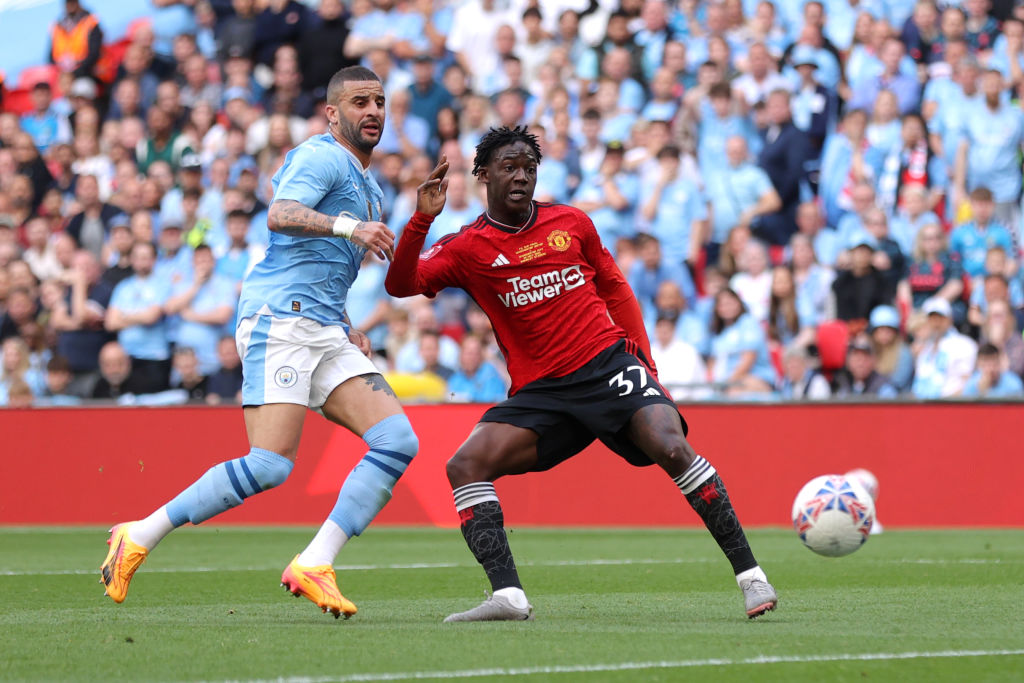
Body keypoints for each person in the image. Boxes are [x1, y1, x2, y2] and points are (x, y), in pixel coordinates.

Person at [386, 127, 777, 622]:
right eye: (510, 167)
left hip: (606, 366)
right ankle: (508, 597)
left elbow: (616, 290)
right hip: (543, 392)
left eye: (529, 167)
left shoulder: (571, 222)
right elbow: (401, 284)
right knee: (464, 466)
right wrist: (422, 218)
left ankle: (751, 576)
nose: (521, 177)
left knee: (672, 445)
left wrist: (646, 366)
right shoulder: (468, 247)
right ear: (483, 175)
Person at [100, 66, 419, 622]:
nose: (372, 111)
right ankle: (140, 534)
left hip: (323, 325)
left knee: (397, 439)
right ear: (332, 112)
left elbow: (323, 267)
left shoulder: (369, 184)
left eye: (379, 101)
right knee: (271, 464)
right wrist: (351, 230)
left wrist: (346, 321)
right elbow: (280, 215)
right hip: (282, 319)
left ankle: (315, 562)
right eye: (360, 101)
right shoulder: (320, 156)